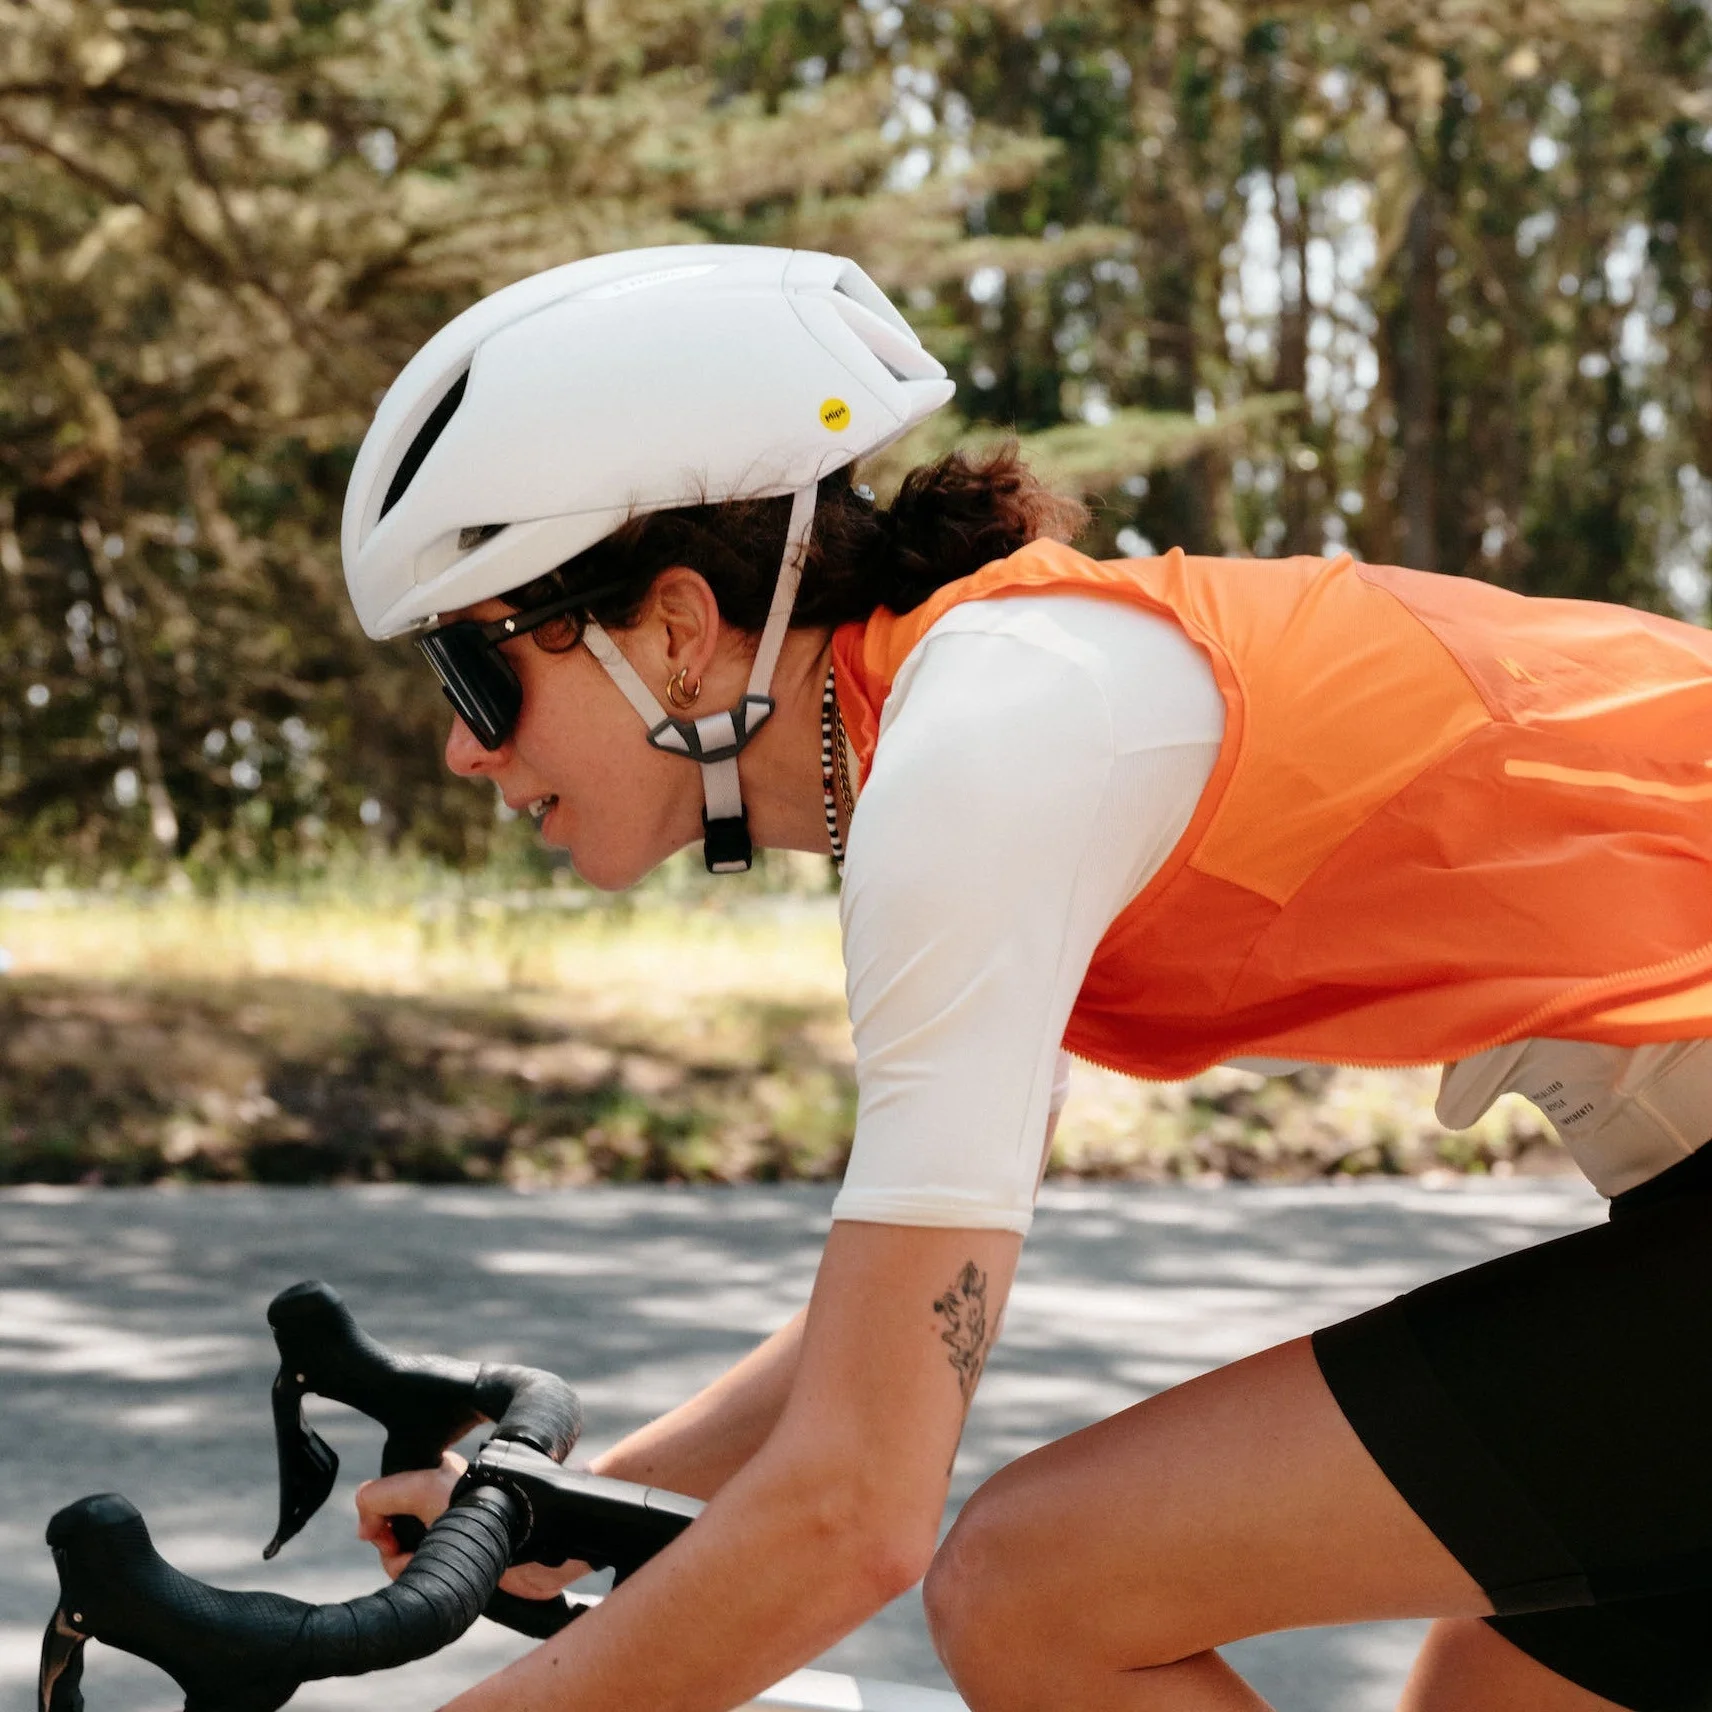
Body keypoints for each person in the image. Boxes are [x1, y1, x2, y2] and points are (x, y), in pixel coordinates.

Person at [343, 245, 1712, 1712]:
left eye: (475, 677)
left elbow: (854, 1518)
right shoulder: (966, 719)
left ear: (672, 634)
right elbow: (908, 1311)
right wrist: (577, 1502)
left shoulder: (984, 749)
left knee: (1039, 1588)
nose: (463, 749)